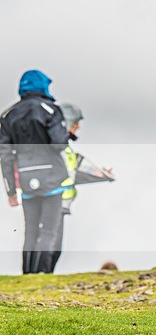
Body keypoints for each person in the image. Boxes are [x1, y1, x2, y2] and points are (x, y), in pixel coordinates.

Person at [0, 70, 69, 274]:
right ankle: (42, 274)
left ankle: (27, 274)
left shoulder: (8, 115)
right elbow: (59, 144)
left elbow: (4, 155)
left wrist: (11, 191)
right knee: (48, 230)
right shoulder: (50, 110)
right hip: (52, 179)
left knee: (30, 230)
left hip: (26, 178)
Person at [52, 102, 84, 268]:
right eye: (76, 123)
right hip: (53, 198)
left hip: (62, 202)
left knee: (56, 247)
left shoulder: (67, 148)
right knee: (50, 244)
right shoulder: (58, 146)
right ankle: (40, 276)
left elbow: (72, 172)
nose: (78, 127)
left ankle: (42, 276)